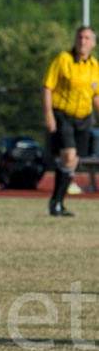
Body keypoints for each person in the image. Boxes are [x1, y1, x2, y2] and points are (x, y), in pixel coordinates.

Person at [42, 25, 99, 216]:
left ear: (93, 43)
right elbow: (48, 87)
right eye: (80, 37)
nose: (83, 41)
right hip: (63, 114)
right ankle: (56, 202)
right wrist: (48, 113)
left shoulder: (94, 66)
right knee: (68, 155)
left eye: (87, 38)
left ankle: (57, 202)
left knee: (73, 161)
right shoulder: (63, 59)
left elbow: (96, 96)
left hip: (84, 118)